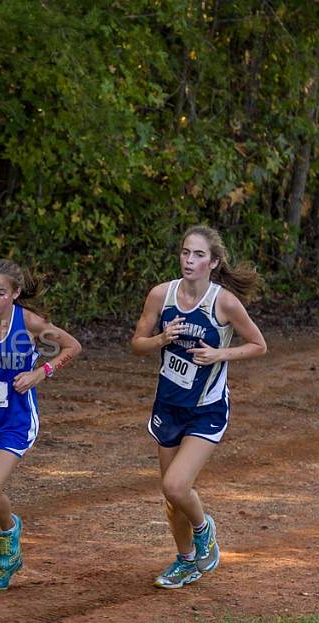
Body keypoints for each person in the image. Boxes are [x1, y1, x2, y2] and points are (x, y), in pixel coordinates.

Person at [131, 225, 267, 589]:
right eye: (185, 253)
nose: (189, 260)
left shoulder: (223, 302)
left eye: (199, 255)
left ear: (214, 262)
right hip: (169, 405)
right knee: (172, 495)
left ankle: (204, 529)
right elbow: (137, 344)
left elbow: (258, 344)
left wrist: (220, 353)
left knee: (176, 486)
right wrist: (160, 338)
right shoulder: (162, 295)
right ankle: (186, 560)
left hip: (206, 408)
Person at [0, 258, 82, 590]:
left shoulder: (29, 322)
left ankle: (11, 532)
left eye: (0, 292)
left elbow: (72, 346)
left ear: (15, 293)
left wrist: (41, 373)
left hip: (16, 417)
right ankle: (8, 556)